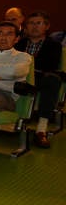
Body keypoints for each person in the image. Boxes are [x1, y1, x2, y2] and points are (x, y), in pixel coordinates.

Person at [14, 11, 62, 148]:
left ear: (46, 26)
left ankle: (41, 129)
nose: (34, 26)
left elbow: (49, 65)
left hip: (40, 78)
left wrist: (27, 63)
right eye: (31, 23)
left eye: (38, 23)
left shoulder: (54, 45)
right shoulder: (19, 44)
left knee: (52, 80)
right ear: (26, 26)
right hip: (19, 77)